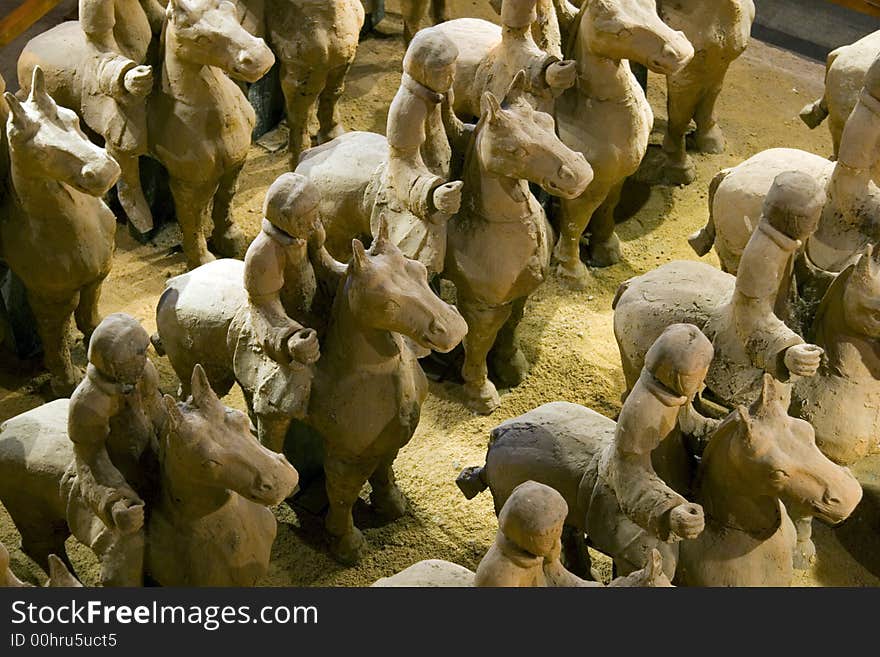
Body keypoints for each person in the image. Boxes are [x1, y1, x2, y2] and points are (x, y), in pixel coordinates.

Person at [594, 324, 714, 576]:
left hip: (671, 478)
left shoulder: (673, 394)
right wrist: (668, 511)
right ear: (675, 374)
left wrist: (725, 434)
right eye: (699, 375)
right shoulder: (641, 413)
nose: (704, 380)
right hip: (637, 499)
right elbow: (632, 474)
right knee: (660, 568)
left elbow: (689, 425)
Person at [61, 313, 165, 586]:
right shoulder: (88, 404)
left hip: (151, 457)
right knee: (132, 545)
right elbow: (91, 462)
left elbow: (159, 413)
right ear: (111, 365)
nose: (144, 360)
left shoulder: (144, 372)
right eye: (136, 357)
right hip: (120, 474)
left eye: (144, 352)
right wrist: (115, 505)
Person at [706, 171, 826, 406]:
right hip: (745, 344)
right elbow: (750, 317)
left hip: (777, 319)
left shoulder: (786, 240)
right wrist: (788, 351)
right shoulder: (762, 258)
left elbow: (801, 275)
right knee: (767, 406)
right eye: (816, 215)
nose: (819, 221)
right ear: (796, 220)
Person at [230, 173, 324, 453]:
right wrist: (291, 340)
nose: (316, 222)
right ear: (287, 219)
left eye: (316, 214)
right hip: (279, 323)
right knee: (286, 390)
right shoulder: (263, 254)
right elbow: (265, 308)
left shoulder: (309, 231)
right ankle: (271, 452)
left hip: (309, 311)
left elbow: (324, 265)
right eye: (309, 217)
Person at [371, 27, 467, 276]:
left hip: (441, 167)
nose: (452, 77)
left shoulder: (440, 92)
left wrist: (478, 135)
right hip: (414, 183)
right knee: (424, 255)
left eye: (453, 69)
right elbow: (403, 163)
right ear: (423, 72)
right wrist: (431, 193)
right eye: (445, 72)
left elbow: (451, 127)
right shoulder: (407, 109)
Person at [79, 0, 164, 233]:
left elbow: (155, 14)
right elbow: (99, 50)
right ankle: (129, 188)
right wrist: (124, 75)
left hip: (152, 54)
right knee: (126, 135)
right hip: (121, 73)